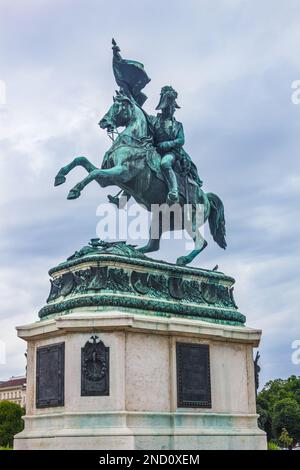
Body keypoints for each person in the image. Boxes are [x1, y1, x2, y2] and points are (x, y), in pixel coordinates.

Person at [150, 86, 202, 205]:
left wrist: (167, 144)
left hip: (172, 153)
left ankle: (174, 191)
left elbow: (181, 140)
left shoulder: (178, 125)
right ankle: (122, 198)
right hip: (155, 150)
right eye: (169, 107)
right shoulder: (154, 121)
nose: (172, 109)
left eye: (173, 107)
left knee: (165, 164)